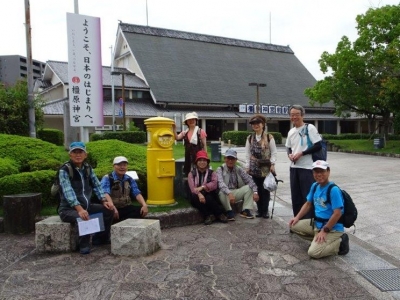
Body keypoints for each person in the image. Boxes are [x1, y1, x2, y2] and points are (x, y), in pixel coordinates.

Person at [58, 142, 114, 255]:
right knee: (84, 216)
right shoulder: (65, 170)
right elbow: (68, 192)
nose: (78, 155)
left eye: (81, 152)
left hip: (86, 206)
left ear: (85, 155)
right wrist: (79, 209)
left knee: (109, 210)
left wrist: (104, 200)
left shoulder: (88, 168)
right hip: (68, 209)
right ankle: (84, 244)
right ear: (70, 155)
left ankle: (100, 238)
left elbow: (97, 185)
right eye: (75, 152)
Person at [288, 160, 350, 258]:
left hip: (332, 228)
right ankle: (318, 240)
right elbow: (308, 204)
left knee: (313, 253)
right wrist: (297, 217)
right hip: (317, 224)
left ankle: (340, 242)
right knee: (293, 226)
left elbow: (337, 213)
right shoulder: (315, 186)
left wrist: (325, 230)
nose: (319, 174)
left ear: (328, 172)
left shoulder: (333, 190)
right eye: (316, 172)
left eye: (322, 171)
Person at [285, 104, 322, 218]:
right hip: (294, 167)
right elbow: (288, 147)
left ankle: (309, 222)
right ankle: (297, 221)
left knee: (307, 196)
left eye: (297, 114)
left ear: (302, 115)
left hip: (307, 168)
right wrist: (290, 155)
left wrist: (302, 153)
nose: (294, 117)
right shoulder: (291, 131)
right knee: (295, 196)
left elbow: (318, 145)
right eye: (292, 115)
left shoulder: (309, 128)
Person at [245, 114, 278, 219]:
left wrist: (272, 164)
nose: (256, 125)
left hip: (266, 168)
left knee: (265, 190)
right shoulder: (250, 138)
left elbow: (274, 152)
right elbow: (247, 154)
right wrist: (247, 166)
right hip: (254, 168)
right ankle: (259, 210)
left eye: (258, 123)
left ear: (263, 124)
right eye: (253, 124)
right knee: (257, 189)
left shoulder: (269, 137)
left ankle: (265, 210)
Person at [100, 156, 148, 222]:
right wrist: (113, 208)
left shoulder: (129, 179)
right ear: (113, 166)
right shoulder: (107, 178)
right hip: (112, 207)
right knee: (109, 216)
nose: (122, 167)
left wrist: (144, 205)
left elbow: (136, 192)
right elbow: (105, 193)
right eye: (119, 165)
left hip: (125, 207)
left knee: (141, 211)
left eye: (124, 165)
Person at [216, 149, 259, 221]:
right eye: (228, 158)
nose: (230, 161)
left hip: (235, 192)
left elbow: (250, 180)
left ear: (236, 160)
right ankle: (229, 211)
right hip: (225, 193)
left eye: (232, 159)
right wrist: (229, 193)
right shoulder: (220, 169)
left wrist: (255, 192)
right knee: (221, 192)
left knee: (249, 187)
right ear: (225, 159)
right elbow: (220, 183)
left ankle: (245, 210)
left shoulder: (239, 169)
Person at [188, 150, 228, 225]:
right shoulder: (191, 174)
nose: (202, 162)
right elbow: (192, 188)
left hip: (209, 192)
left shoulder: (212, 173)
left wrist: (203, 187)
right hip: (197, 194)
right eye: (200, 160)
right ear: (196, 162)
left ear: (207, 162)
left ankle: (219, 214)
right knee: (194, 197)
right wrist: (199, 194)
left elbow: (214, 184)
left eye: (204, 160)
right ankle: (207, 216)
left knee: (208, 198)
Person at [173, 112, 207, 176]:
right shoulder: (184, 133)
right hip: (188, 158)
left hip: (199, 158)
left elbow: (204, 146)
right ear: (186, 122)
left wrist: (205, 158)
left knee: (199, 174)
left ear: (196, 121)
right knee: (189, 174)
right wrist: (174, 128)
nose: (191, 121)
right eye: (189, 120)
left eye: (193, 119)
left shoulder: (200, 131)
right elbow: (176, 138)